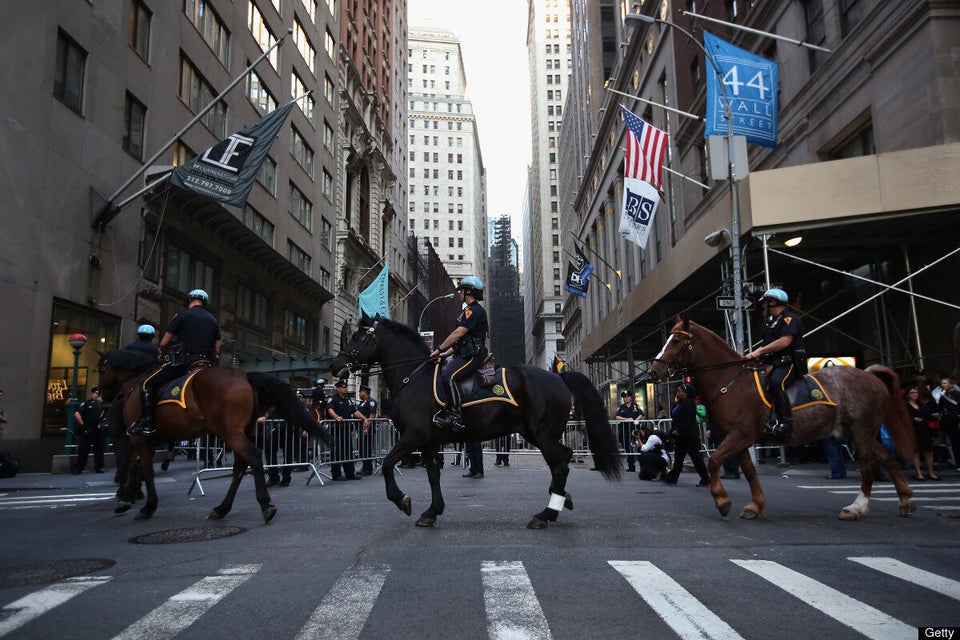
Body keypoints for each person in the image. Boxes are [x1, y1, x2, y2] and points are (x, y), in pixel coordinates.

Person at [128, 289, 221, 436]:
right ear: (204, 302)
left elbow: (164, 343)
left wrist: (163, 353)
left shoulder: (182, 315)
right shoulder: (213, 320)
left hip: (184, 362)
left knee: (147, 383)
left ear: (189, 300)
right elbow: (217, 350)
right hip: (205, 363)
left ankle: (147, 422)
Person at [430, 276, 489, 431]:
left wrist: (439, 349)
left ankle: (455, 417)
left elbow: (457, 334)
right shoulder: (468, 311)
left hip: (473, 356)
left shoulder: (474, 311)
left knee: (448, 376)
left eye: (461, 290)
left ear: (468, 291)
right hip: (465, 353)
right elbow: (460, 342)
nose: (459, 293)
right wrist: (444, 354)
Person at [746, 288, 805, 436]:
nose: (763, 306)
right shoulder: (771, 323)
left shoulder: (789, 319)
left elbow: (785, 342)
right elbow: (767, 345)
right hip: (774, 364)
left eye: (765, 303)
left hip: (789, 363)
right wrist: (751, 356)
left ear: (773, 302)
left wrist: (759, 351)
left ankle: (786, 423)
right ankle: (769, 419)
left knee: (777, 382)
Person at [661, 384, 710, 487]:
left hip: (688, 435)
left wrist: (678, 430)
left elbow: (687, 419)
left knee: (696, 458)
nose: (677, 393)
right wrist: (675, 403)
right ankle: (672, 478)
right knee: (679, 458)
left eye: (680, 391)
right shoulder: (680, 403)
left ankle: (705, 478)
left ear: (686, 394)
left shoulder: (689, 404)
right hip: (681, 436)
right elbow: (675, 415)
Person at [326, 380, 361, 481]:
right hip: (336, 430)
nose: (345, 389)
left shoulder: (347, 400)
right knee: (336, 451)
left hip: (345, 430)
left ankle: (350, 473)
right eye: (343, 387)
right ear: (338, 388)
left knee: (348, 451)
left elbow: (355, 412)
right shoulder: (333, 399)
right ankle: (336, 474)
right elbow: (330, 410)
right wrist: (336, 417)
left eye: (345, 387)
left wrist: (364, 419)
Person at [906, 386, 939, 481]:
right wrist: (912, 419)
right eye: (912, 392)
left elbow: (928, 414)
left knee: (929, 452)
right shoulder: (906, 405)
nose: (915, 394)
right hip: (913, 429)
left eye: (916, 392)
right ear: (908, 395)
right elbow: (903, 418)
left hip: (924, 428)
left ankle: (931, 473)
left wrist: (929, 417)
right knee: (916, 452)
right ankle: (919, 473)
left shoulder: (921, 404)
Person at [73, 387, 106, 474]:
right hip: (87, 429)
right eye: (96, 394)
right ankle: (79, 467)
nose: (97, 396)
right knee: (83, 450)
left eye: (99, 394)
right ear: (93, 394)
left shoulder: (103, 405)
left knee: (99, 450)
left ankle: (99, 467)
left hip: (98, 430)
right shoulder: (87, 403)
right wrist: (82, 425)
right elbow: (77, 414)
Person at [935, 376, 960, 469]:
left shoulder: (958, 394)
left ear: (951, 384)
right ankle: (957, 463)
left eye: (945, 383)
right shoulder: (943, 397)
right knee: (954, 444)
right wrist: (941, 414)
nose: (943, 385)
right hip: (949, 422)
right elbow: (940, 409)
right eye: (942, 383)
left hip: (958, 421)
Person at [353, 384, 378, 476]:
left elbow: (371, 416)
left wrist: (367, 428)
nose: (359, 393)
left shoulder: (371, 402)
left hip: (367, 430)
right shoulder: (362, 402)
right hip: (360, 429)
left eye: (360, 392)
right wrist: (354, 429)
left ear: (364, 392)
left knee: (367, 449)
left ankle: (368, 468)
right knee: (362, 449)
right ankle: (365, 466)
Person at [616, 390, 643, 472]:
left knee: (639, 447)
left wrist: (635, 420)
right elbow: (617, 417)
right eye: (625, 397)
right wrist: (627, 419)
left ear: (631, 397)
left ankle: (642, 465)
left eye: (628, 396)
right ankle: (631, 466)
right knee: (628, 448)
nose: (626, 398)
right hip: (625, 431)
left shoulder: (635, 406)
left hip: (635, 430)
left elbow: (641, 414)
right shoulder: (621, 407)